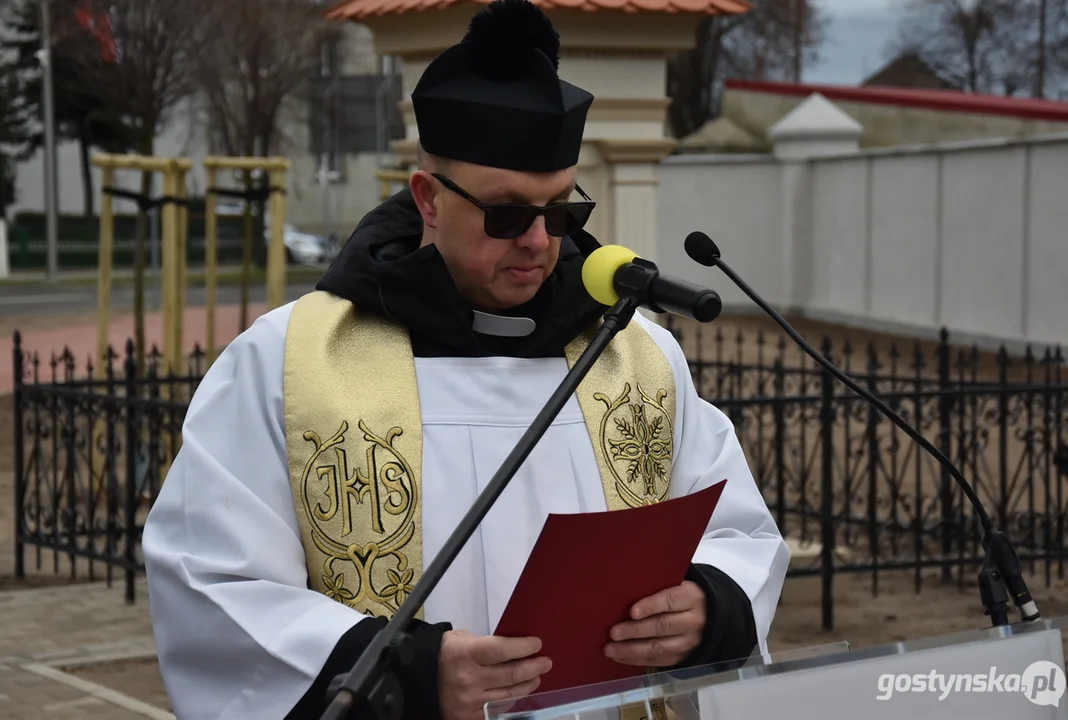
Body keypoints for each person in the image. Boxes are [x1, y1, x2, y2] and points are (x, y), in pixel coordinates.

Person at [140, 1, 791, 718]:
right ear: (427, 199)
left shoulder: (636, 357)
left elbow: (738, 532)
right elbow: (211, 581)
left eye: (560, 212)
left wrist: (706, 605)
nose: (539, 242)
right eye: (506, 214)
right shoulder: (290, 361)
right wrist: (407, 675)